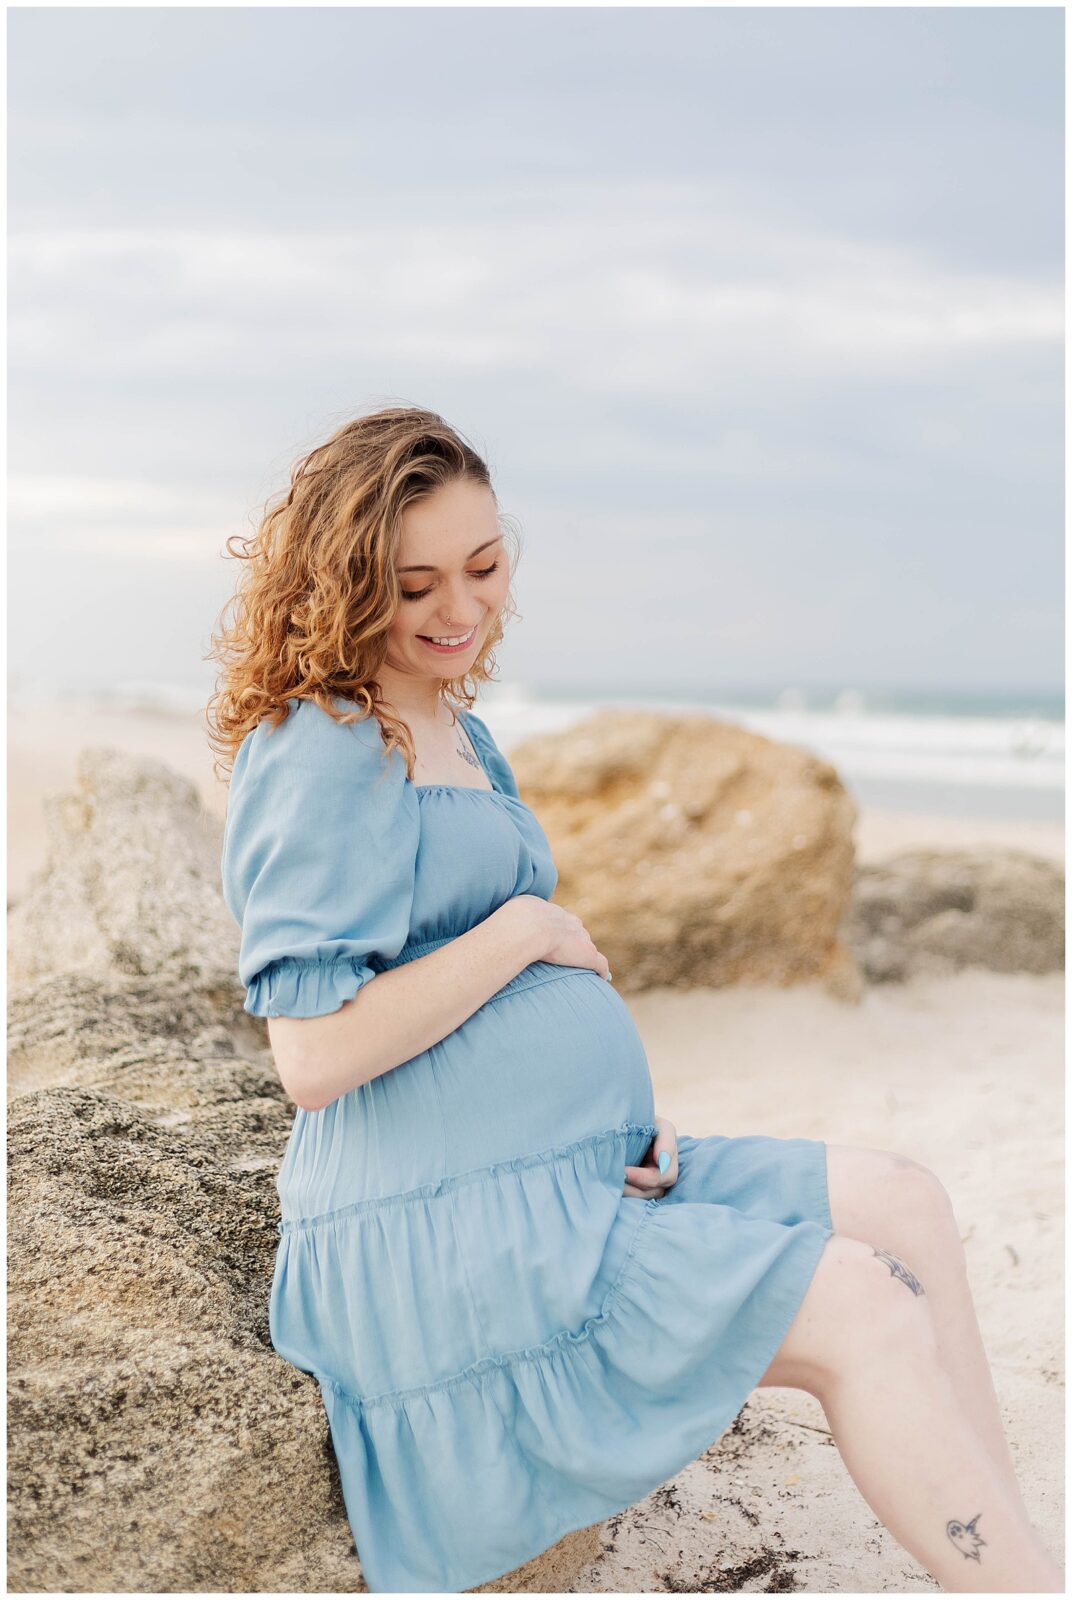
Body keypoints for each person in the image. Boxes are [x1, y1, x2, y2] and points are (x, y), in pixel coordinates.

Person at [209, 406, 1061, 1595]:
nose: (459, 610)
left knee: (905, 1204)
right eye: (415, 585)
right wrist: (522, 931)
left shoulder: (456, 725)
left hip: (568, 1173)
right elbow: (313, 1055)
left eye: (484, 567)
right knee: (860, 1305)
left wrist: (588, 1126)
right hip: (442, 1234)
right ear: (346, 582)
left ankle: (1013, 1555)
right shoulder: (325, 744)